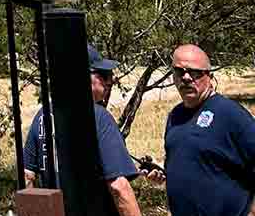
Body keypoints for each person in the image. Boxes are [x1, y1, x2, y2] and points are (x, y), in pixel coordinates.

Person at [23, 44, 142, 216]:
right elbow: (119, 187)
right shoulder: (99, 117)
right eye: (103, 75)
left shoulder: (42, 116)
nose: (110, 81)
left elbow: (27, 177)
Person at [157, 44, 255, 216]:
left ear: (209, 77)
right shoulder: (175, 115)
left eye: (194, 72)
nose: (186, 78)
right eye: (180, 71)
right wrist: (162, 175)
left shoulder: (231, 114)